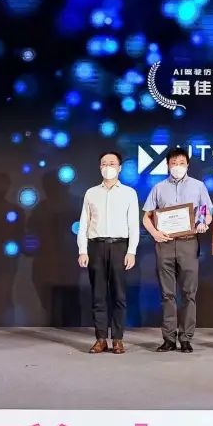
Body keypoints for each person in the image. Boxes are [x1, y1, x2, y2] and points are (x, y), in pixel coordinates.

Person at [142, 147, 213, 354]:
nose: (177, 166)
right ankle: (169, 338)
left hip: (188, 242)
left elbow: (206, 212)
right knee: (167, 294)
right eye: (174, 163)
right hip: (164, 244)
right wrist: (155, 233)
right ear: (167, 165)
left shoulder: (198, 186)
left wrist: (204, 223)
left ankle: (186, 338)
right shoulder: (158, 188)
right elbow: (146, 217)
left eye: (181, 163)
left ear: (187, 165)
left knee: (189, 293)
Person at [77, 151, 140, 354]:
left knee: (119, 295)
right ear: (99, 167)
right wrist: (82, 250)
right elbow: (84, 224)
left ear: (120, 168)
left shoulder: (129, 193)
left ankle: (118, 339)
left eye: (112, 163)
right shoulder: (91, 193)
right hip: (96, 246)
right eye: (104, 163)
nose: (108, 167)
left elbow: (134, 225)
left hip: (120, 246)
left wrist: (131, 251)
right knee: (98, 295)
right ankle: (101, 338)